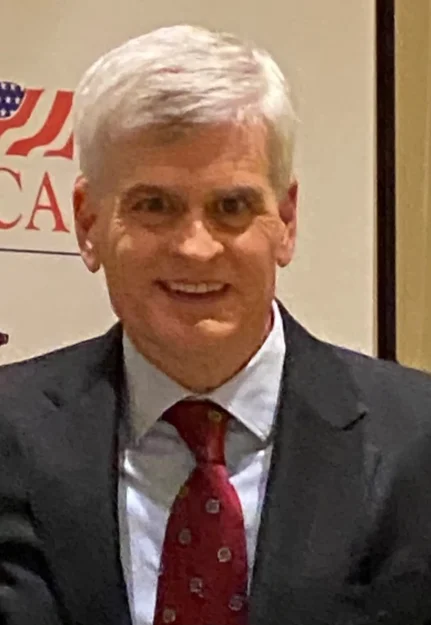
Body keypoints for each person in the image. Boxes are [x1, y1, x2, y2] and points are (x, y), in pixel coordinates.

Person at [1, 24, 431, 625]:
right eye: (154, 206)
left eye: (231, 207)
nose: (196, 248)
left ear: (286, 222)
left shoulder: (418, 440)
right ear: (88, 222)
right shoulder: (8, 431)